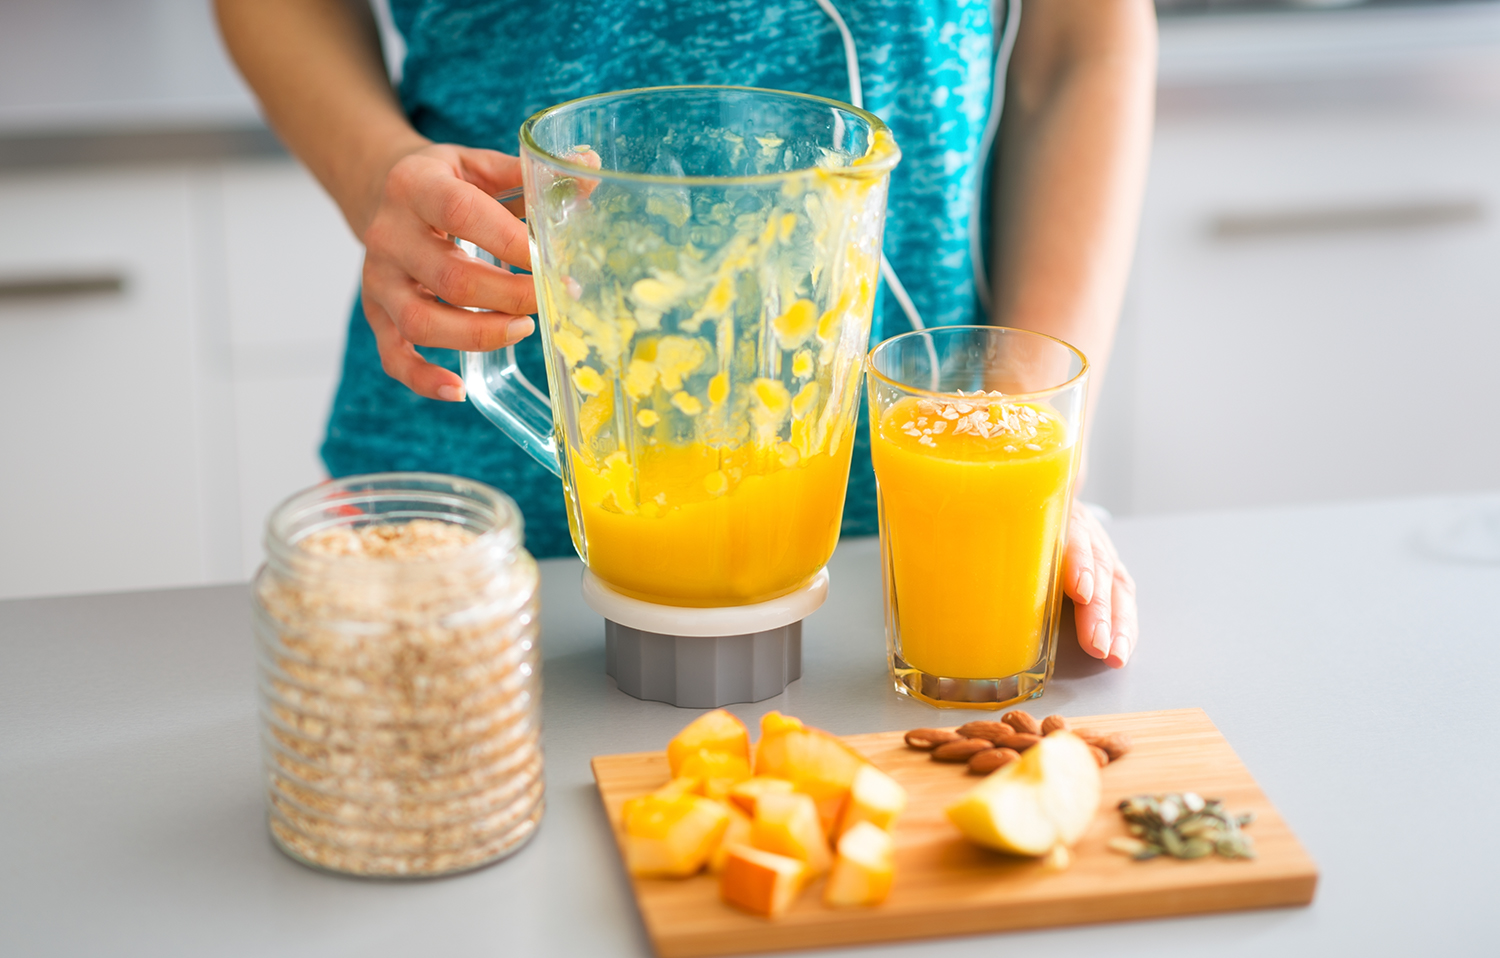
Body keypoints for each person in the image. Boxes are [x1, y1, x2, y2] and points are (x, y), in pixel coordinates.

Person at [216, 0, 1151, 668]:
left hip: (918, 551)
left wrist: (1022, 433)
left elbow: (1083, 41)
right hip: (458, 516)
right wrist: (377, 165)